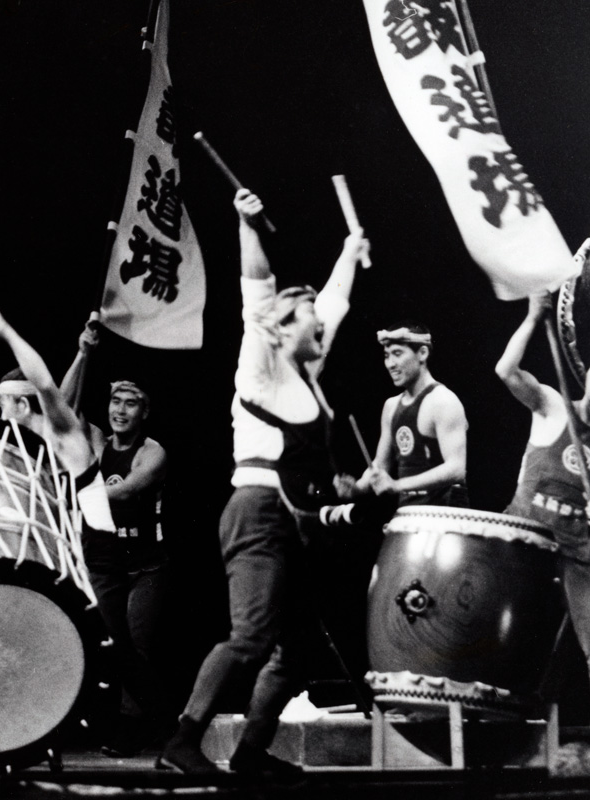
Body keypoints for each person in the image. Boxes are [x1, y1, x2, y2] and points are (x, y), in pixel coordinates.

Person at [159, 188, 368, 776]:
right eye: (308, 323)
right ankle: (182, 741)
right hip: (256, 511)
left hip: (293, 519)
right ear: (282, 329)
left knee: (296, 649)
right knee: (250, 636)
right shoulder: (261, 361)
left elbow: (333, 305)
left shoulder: (307, 379)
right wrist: (246, 226)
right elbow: (259, 295)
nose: (321, 327)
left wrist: (350, 253)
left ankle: (251, 753)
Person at [495, 298, 590, 717]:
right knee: (489, 625)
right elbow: (505, 370)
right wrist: (532, 317)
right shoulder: (551, 405)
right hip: (520, 538)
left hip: (571, 553)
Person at [58, 320, 171, 756]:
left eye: (131, 403)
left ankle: (136, 728)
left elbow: (130, 489)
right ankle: (150, 723)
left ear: (145, 412)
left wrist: (86, 493)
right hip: (105, 563)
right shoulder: (98, 444)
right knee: (112, 648)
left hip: (147, 566)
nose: (120, 409)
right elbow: (62, 408)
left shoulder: (152, 451)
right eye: (115, 401)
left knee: (137, 648)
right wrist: (83, 354)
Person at [0, 305, 116, 535]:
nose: (1, 417)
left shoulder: (66, 439)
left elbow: (47, 387)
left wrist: (6, 331)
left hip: (97, 563)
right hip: (70, 561)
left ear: (23, 405)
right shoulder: (34, 454)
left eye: (3, 406)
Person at [339, 322, 469, 508]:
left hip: (445, 518)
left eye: (398, 354)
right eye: (386, 356)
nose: (390, 364)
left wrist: (397, 485)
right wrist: (356, 489)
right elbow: (380, 466)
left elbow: (456, 469)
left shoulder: (443, 401)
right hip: (409, 514)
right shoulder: (391, 406)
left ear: (422, 353)